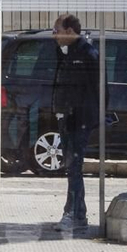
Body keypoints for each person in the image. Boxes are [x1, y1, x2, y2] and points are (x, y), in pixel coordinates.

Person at [51, 13, 100, 231]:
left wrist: (91, 117)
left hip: (80, 118)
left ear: (70, 31)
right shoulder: (68, 52)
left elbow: (98, 89)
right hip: (69, 118)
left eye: (57, 30)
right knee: (71, 167)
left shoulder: (87, 53)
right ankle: (76, 213)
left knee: (74, 167)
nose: (54, 35)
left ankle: (75, 214)